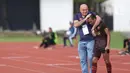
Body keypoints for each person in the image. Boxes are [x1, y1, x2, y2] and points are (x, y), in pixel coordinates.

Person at [73, 4, 101, 73]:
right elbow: (76, 25)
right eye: (83, 10)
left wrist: (93, 27)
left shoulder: (91, 14)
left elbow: (99, 19)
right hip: (81, 41)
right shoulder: (77, 15)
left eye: (86, 9)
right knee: (82, 60)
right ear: (80, 10)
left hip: (90, 40)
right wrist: (85, 19)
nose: (85, 11)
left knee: (91, 58)